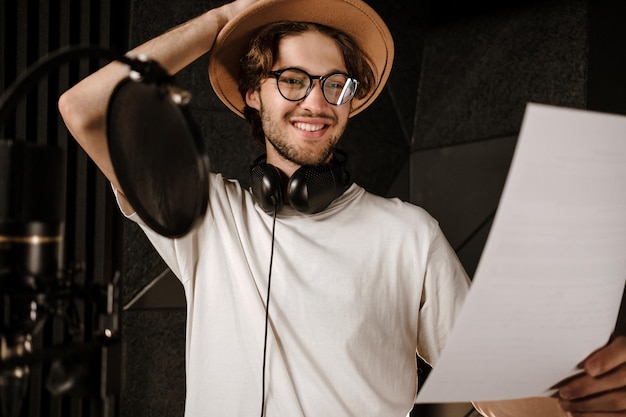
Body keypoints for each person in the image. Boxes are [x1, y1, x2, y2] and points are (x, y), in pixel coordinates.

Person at [58, 0, 626, 416]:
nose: (317, 102)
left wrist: (585, 396)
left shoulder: (407, 234)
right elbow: (84, 109)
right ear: (253, 93)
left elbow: (504, 400)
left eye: (336, 84)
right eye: (293, 80)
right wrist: (222, 20)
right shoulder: (205, 216)